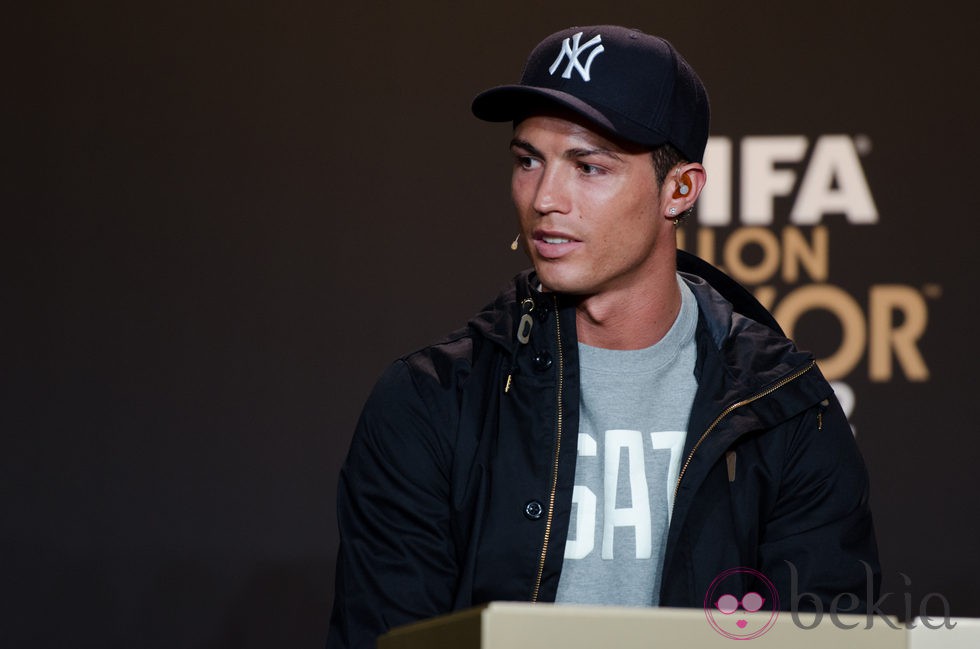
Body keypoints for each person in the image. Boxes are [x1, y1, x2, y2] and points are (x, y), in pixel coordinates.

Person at [326, 25, 879, 648]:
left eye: (589, 166)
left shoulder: (787, 410)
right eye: (527, 160)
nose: (545, 198)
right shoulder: (429, 402)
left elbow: (824, 639)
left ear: (680, 190)